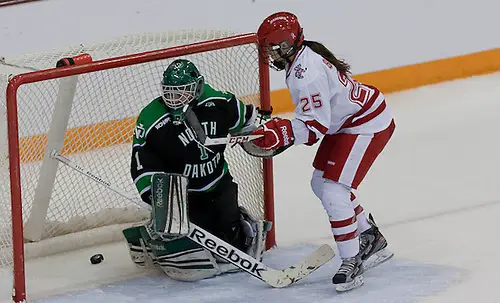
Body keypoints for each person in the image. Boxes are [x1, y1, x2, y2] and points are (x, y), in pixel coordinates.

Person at [253, 12, 395, 291]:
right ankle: (370, 235)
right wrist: (284, 132)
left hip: (366, 123)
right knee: (321, 183)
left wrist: (283, 133)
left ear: (287, 45)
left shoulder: (307, 73)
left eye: (273, 48)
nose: (269, 55)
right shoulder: (301, 60)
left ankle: (351, 260)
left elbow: (316, 127)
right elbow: (319, 120)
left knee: (333, 190)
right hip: (347, 122)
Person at [122, 58, 270, 281]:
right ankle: (151, 235)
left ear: (197, 86)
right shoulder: (151, 117)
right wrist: (158, 197)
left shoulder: (220, 102)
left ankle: (239, 222)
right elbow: (141, 160)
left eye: (181, 91)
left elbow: (249, 120)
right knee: (191, 254)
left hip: (218, 184)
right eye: (169, 92)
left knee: (231, 244)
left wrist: (262, 135)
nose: (174, 98)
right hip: (183, 196)